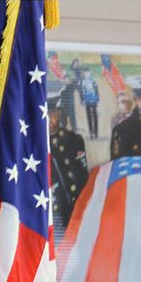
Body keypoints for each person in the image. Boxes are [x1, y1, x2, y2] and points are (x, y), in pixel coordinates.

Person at [48, 84, 89, 232]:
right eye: (45, 113)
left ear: (58, 114)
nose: (48, 118)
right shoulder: (33, 144)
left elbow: (81, 176)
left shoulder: (73, 140)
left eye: (52, 113)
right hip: (46, 210)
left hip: (70, 206)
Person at [79, 67, 100, 140]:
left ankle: (96, 132)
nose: (86, 74)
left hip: (93, 100)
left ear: (89, 73)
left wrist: (97, 98)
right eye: (85, 73)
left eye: (87, 72)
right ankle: (91, 132)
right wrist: (82, 100)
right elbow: (81, 92)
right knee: (89, 117)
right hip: (87, 101)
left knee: (95, 116)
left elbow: (96, 89)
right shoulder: (82, 82)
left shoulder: (93, 80)